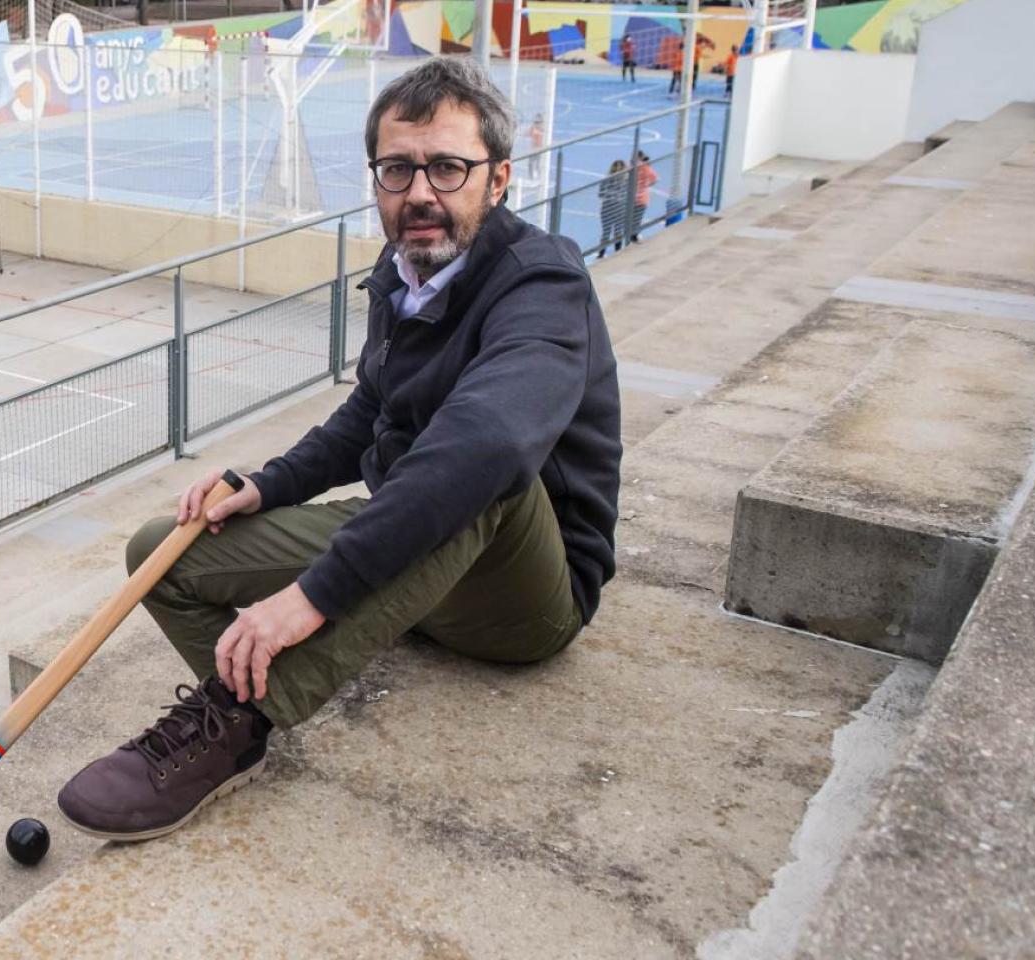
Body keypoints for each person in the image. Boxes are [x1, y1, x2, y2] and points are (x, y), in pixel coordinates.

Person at [56, 56, 622, 843]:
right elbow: (369, 412)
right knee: (163, 550)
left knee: (480, 469)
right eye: (398, 168)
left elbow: (487, 443)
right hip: (412, 566)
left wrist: (312, 598)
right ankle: (250, 729)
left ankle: (228, 721)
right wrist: (267, 485)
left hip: (523, 596)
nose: (421, 191)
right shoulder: (402, 275)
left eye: (449, 167)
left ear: (497, 181)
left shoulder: (541, 285)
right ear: (378, 180)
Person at [596, 159, 628, 258]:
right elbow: (629, 195)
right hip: (620, 208)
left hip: (607, 208)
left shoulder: (606, 180)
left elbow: (601, 194)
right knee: (618, 231)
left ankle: (601, 254)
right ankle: (618, 252)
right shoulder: (626, 182)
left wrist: (610, 196)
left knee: (606, 232)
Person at [630, 151, 657, 242]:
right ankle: (634, 235)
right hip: (642, 198)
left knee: (630, 217)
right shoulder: (647, 168)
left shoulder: (632, 168)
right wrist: (647, 185)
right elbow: (655, 179)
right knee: (638, 218)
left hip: (631, 197)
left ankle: (630, 235)